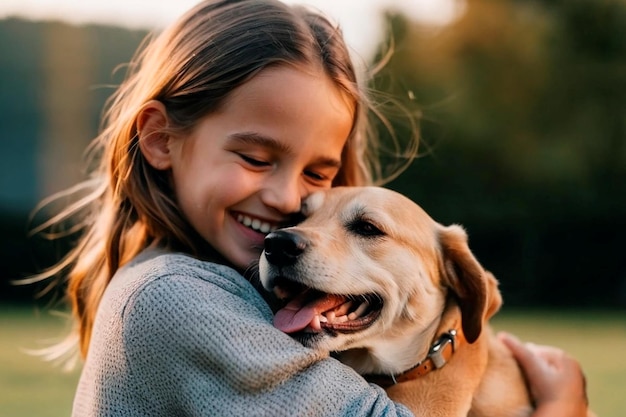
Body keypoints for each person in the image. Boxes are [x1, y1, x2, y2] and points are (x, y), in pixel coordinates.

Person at [36, 0, 589, 415]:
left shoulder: (248, 288)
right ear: (160, 139)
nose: (286, 207)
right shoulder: (174, 300)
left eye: (317, 173)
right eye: (254, 157)